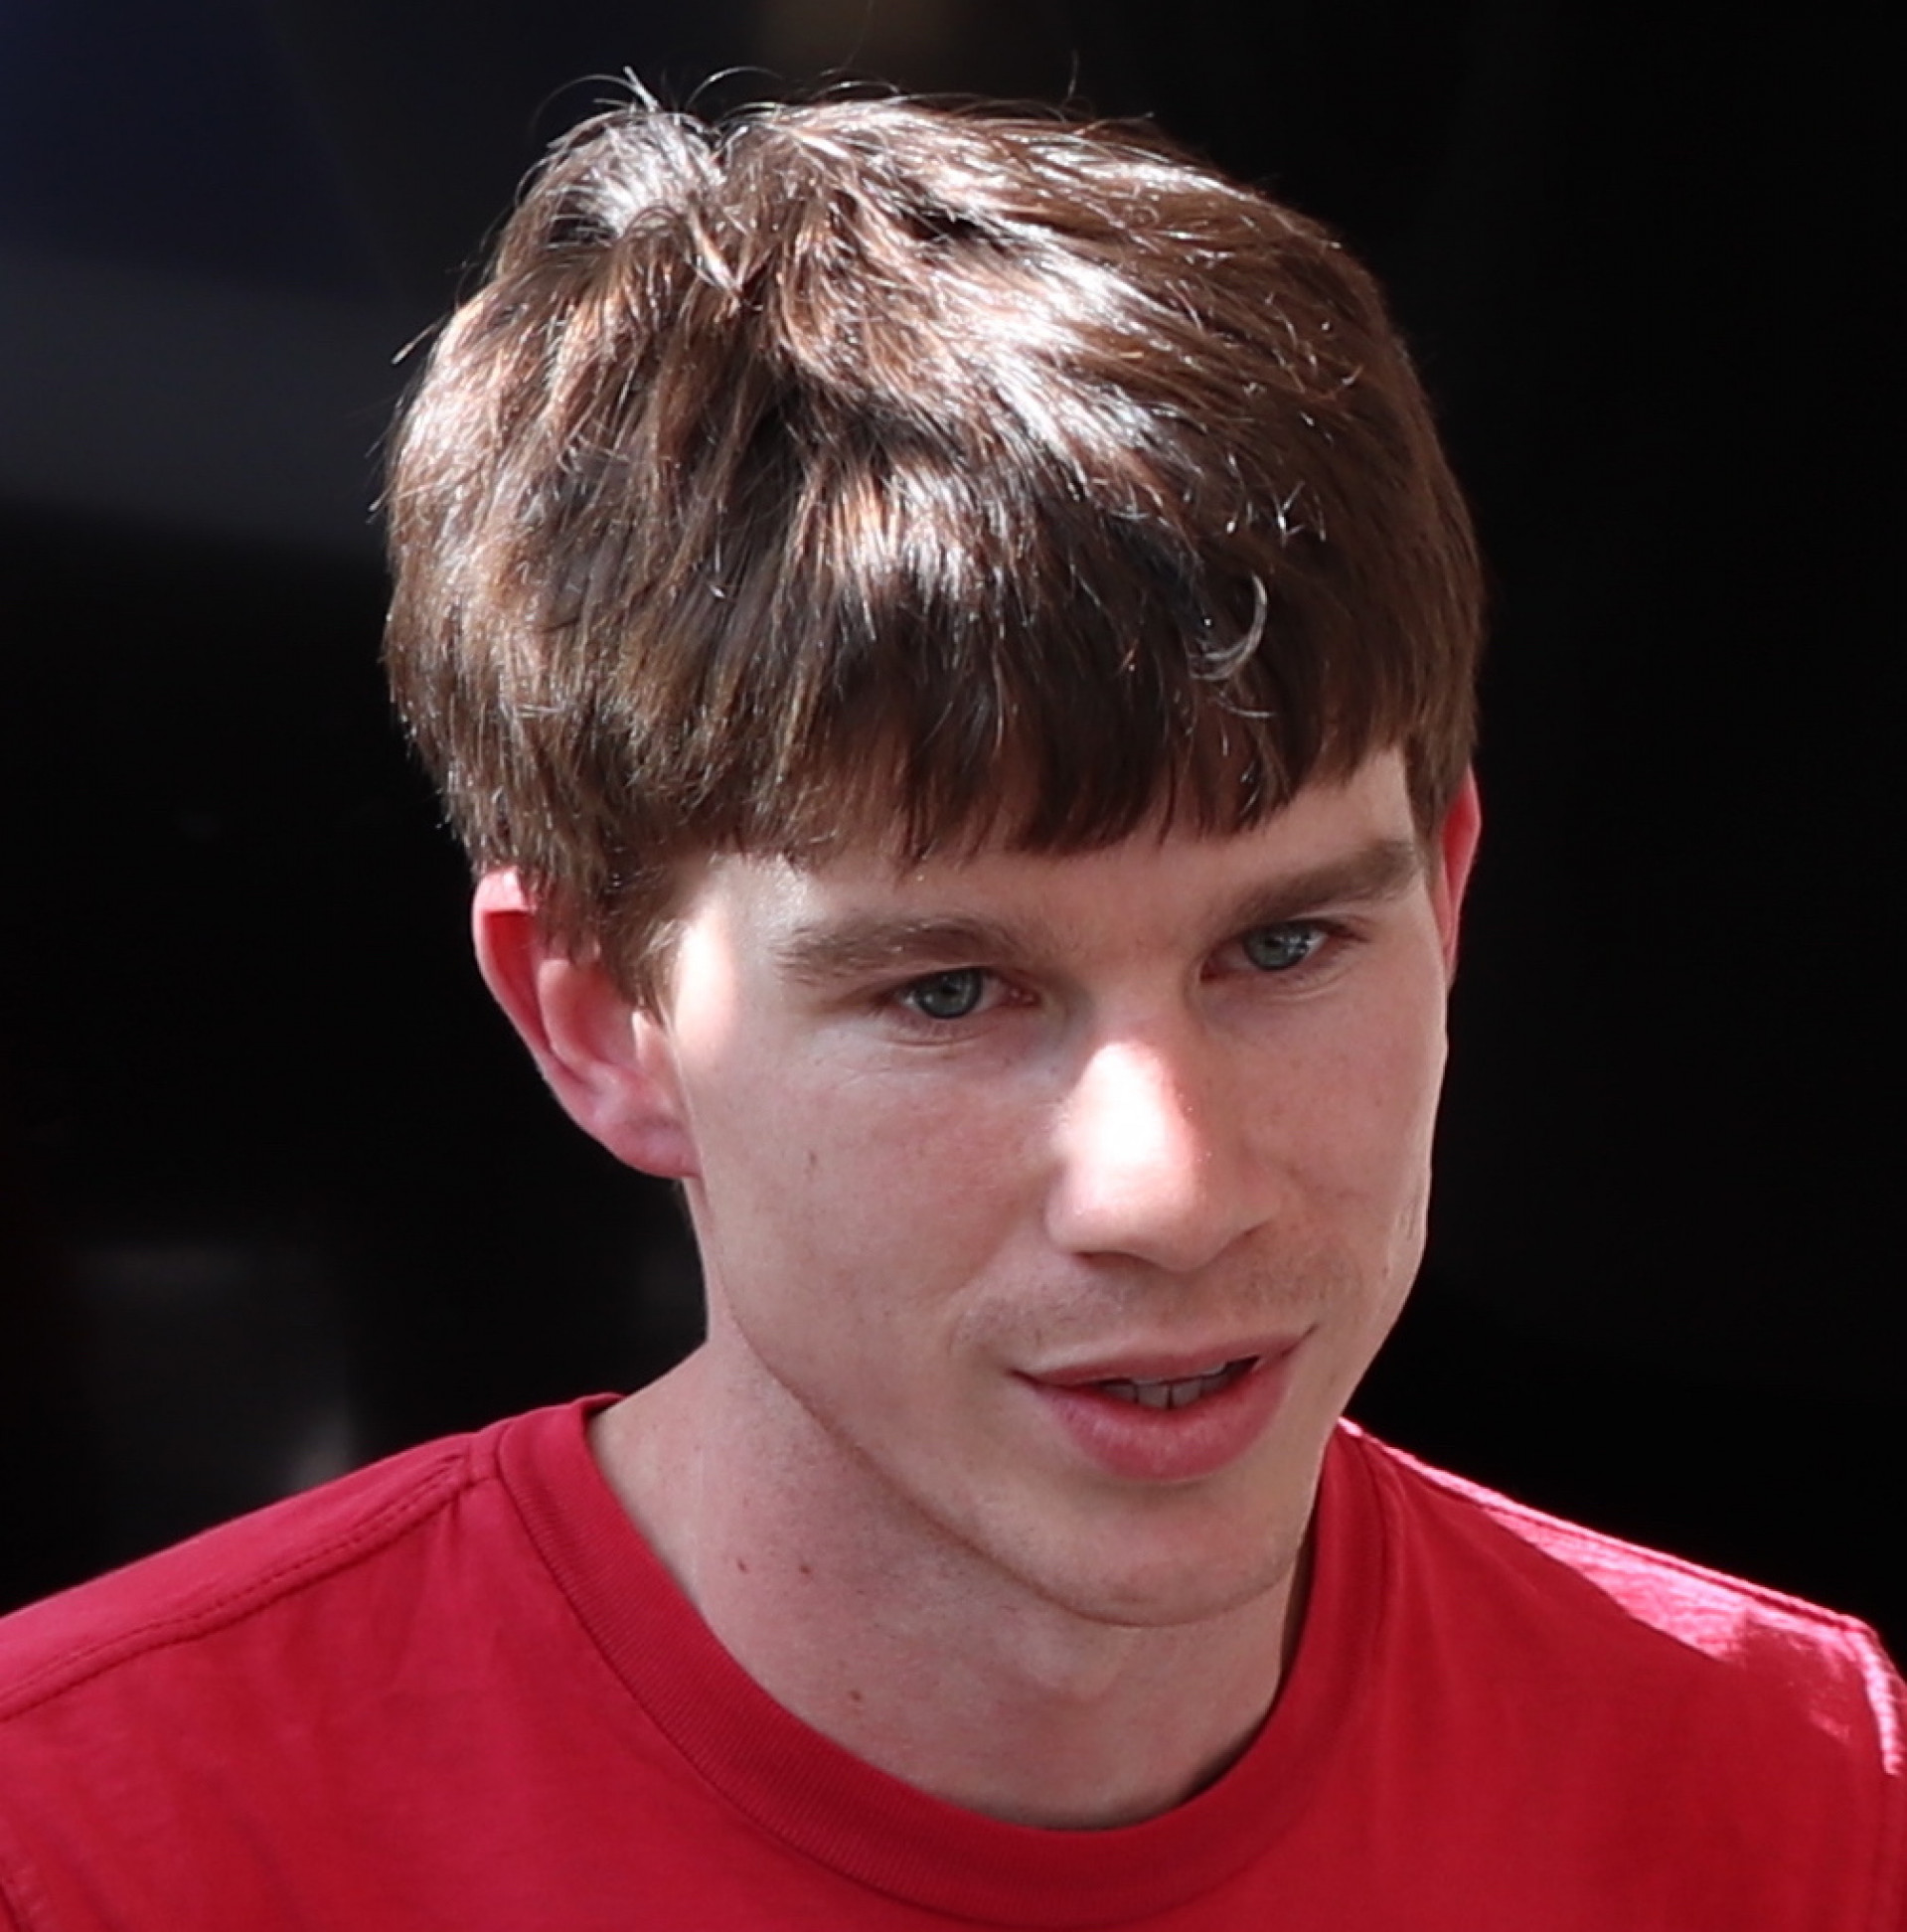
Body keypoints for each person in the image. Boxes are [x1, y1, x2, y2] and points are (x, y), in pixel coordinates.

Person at [0, 94, 1898, 1930]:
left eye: (1285, 946)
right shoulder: (89, 1848)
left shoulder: (1793, 1781)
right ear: (598, 1021)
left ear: (1450, 900)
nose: (1168, 1193)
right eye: (951, 989)